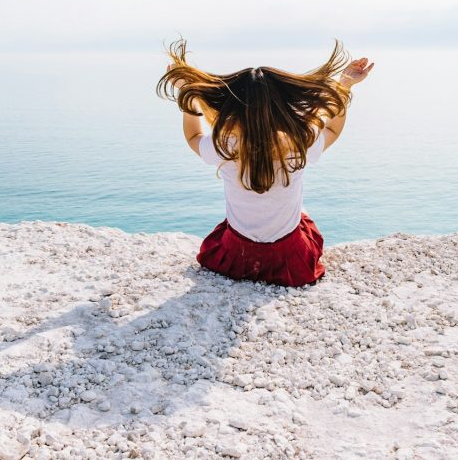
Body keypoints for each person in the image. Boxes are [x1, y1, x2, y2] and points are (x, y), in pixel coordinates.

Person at [156, 38, 374, 287]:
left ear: (232, 109)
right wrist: (344, 84)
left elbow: (193, 136)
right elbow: (332, 129)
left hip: (237, 257)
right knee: (303, 217)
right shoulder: (299, 142)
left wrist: (189, 96)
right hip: (289, 260)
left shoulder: (226, 145)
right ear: (285, 107)